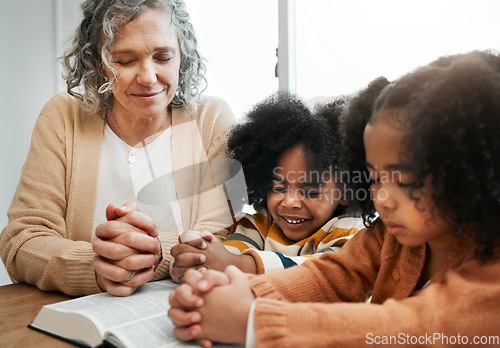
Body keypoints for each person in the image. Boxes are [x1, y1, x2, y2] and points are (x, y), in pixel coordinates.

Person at [167, 50, 500, 347]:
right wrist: (244, 294)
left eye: (406, 179)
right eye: (375, 177)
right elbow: (331, 274)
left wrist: (252, 321)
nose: (383, 198)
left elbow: (417, 326)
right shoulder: (389, 237)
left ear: (471, 171)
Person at [0, 0, 236, 297]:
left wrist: (156, 253)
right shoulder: (63, 117)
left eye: (163, 57)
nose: (148, 77)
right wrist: (96, 266)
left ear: (182, 57)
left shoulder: (211, 119)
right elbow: (22, 239)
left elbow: (226, 236)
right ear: (97, 63)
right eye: (125, 61)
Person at [170, 91, 363, 279]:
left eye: (311, 192)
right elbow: (228, 255)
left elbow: (324, 271)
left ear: (345, 190)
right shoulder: (258, 225)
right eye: (278, 188)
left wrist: (241, 264)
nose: (290, 202)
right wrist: (197, 258)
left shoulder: (350, 230)